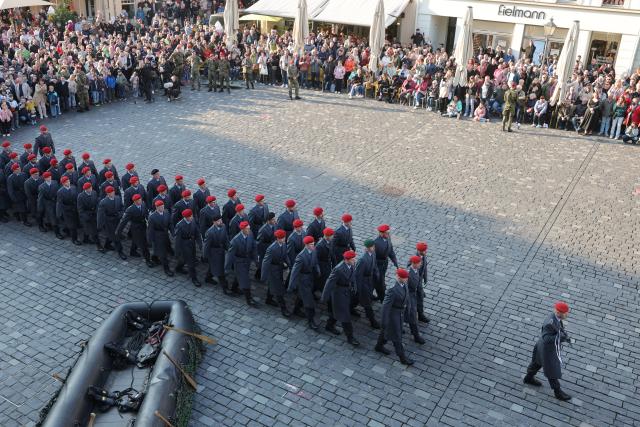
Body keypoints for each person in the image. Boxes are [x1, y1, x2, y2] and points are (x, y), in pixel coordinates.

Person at [523, 302, 572, 401]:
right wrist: (560, 337)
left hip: (542, 347)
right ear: (559, 313)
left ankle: (528, 378)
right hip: (547, 350)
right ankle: (557, 392)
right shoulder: (550, 323)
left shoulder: (555, 318)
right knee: (551, 371)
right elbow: (547, 338)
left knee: (537, 362)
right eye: (566, 313)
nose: (567, 315)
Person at [375, 268, 414, 366]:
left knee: (387, 331)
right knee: (397, 336)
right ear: (399, 278)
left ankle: (379, 346)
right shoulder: (393, 290)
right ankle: (402, 357)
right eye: (405, 278)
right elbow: (385, 307)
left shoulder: (404, 285)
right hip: (393, 315)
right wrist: (384, 321)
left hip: (400, 313)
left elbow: (407, 298)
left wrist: (408, 311)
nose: (406, 279)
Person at [322, 250, 360, 346]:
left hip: (346, 291)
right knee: (345, 315)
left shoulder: (352, 264)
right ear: (347, 260)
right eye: (352, 259)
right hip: (338, 293)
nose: (354, 260)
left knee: (337, 311)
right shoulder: (338, 269)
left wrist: (354, 287)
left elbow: (353, 276)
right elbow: (329, 283)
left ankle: (329, 325)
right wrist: (324, 297)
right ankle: (350, 337)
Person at [288, 235, 320, 330]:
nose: (313, 245)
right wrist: (291, 286)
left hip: (310, 278)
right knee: (309, 301)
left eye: (313, 243)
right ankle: (311, 321)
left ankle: (296, 309)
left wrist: (318, 269)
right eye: (311, 244)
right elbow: (294, 272)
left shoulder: (314, 251)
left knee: (302, 296)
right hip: (302, 280)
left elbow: (315, 262)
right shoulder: (301, 257)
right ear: (306, 245)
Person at [225, 221, 260, 306]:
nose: (249, 230)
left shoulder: (250, 234)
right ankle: (249, 299)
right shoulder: (235, 241)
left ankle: (234, 288)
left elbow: (253, 247)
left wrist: (256, 260)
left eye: (249, 228)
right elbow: (230, 255)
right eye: (247, 229)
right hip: (239, 262)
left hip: (247, 261)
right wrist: (226, 268)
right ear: (242, 230)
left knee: (239, 276)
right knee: (245, 280)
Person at [116, 193, 154, 266]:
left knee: (136, 240)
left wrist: (149, 221)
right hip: (136, 228)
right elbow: (123, 221)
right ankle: (148, 260)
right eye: (138, 200)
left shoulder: (143, 204)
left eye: (140, 199)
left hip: (143, 226)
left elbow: (146, 214)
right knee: (143, 245)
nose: (140, 200)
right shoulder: (130, 209)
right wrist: (118, 231)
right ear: (135, 201)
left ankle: (133, 251)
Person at [261, 229, 291, 317]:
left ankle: (268, 299)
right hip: (272, 271)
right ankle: (283, 308)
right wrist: (263, 276)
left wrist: (289, 264)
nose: (284, 239)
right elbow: (265, 262)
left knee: (273, 285)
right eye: (282, 238)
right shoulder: (271, 248)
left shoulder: (284, 244)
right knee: (279, 289)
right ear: (277, 239)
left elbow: (285, 255)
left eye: (284, 237)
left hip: (279, 268)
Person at [355, 239, 380, 329]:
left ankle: (351, 306)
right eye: (372, 246)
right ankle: (372, 320)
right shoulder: (362, 260)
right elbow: (358, 276)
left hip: (370, 280)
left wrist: (376, 275)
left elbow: (374, 265)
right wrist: (358, 288)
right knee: (367, 302)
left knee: (360, 298)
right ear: (368, 248)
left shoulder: (372, 254)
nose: (374, 248)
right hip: (364, 282)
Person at [174, 208, 202, 286]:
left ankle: (178, 268)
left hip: (192, 244)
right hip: (184, 245)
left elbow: (197, 233)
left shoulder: (192, 221)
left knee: (185, 259)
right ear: (185, 217)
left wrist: (200, 244)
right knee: (191, 262)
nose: (192, 217)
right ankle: (194, 278)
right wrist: (177, 252)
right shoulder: (180, 225)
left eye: (191, 215)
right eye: (190, 216)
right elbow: (177, 240)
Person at [147, 200, 175, 277]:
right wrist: (150, 241)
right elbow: (150, 230)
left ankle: (154, 257)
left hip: (165, 235)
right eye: (160, 207)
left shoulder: (166, 212)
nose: (162, 208)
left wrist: (173, 232)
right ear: (156, 207)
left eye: (163, 206)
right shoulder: (152, 217)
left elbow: (170, 224)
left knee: (167, 247)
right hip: (157, 237)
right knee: (163, 254)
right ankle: (167, 269)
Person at [203, 213, 230, 289]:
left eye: (221, 220)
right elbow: (206, 245)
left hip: (221, 251)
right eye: (218, 221)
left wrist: (229, 248)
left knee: (213, 266)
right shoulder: (210, 232)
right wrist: (205, 256)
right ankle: (224, 286)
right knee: (219, 269)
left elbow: (226, 238)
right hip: (213, 252)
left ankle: (208, 278)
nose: (220, 222)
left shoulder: (223, 226)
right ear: (214, 222)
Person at [374, 224, 398, 302]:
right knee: (380, 281)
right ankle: (382, 298)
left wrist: (395, 261)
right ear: (381, 233)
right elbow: (373, 257)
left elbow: (391, 250)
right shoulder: (376, 243)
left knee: (381, 279)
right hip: (378, 265)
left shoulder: (388, 238)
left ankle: (380, 294)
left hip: (384, 263)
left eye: (388, 232)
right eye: (386, 233)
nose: (388, 234)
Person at [406, 256, 426, 344]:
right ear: (414, 264)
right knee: (412, 316)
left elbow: (418, 283)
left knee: (410, 315)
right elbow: (405, 289)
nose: (421, 264)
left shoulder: (416, 270)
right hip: (409, 297)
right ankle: (416, 335)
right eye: (419, 263)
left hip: (414, 295)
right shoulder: (408, 274)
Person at [56, 176, 81, 244]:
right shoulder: (60, 192)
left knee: (75, 224)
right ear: (63, 183)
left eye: (68, 181)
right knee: (72, 226)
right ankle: (74, 239)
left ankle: (68, 231)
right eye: (66, 182)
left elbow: (77, 197)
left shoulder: (73, 187)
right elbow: (60, 203)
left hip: (75, 209)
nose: (68, 182)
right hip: (67, 211)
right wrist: (59, 213)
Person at [76, 182, 102, 249]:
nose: (91, 189)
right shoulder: (80, 196)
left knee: (89, 229)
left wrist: (97, 211)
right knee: (93, 231)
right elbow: (80, 209)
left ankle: (85, 239)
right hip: (87, 216)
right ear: (86, 189)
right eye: (89, 188)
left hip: (94, 214)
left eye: (91, 187)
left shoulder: (94, 192)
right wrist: (86, 217)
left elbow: (97, 202)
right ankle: (99, 245)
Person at [37, 172, 61, 237]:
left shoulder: (55, 182)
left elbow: (58, 192)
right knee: (53, 218)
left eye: (50, 177)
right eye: (47, 177)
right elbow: (40, 198)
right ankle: (57, 233)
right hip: (48, 204)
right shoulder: (42, 187)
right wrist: (40, 207)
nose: (49, 178)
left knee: (58, 216)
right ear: (44, 179)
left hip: (55, 202)